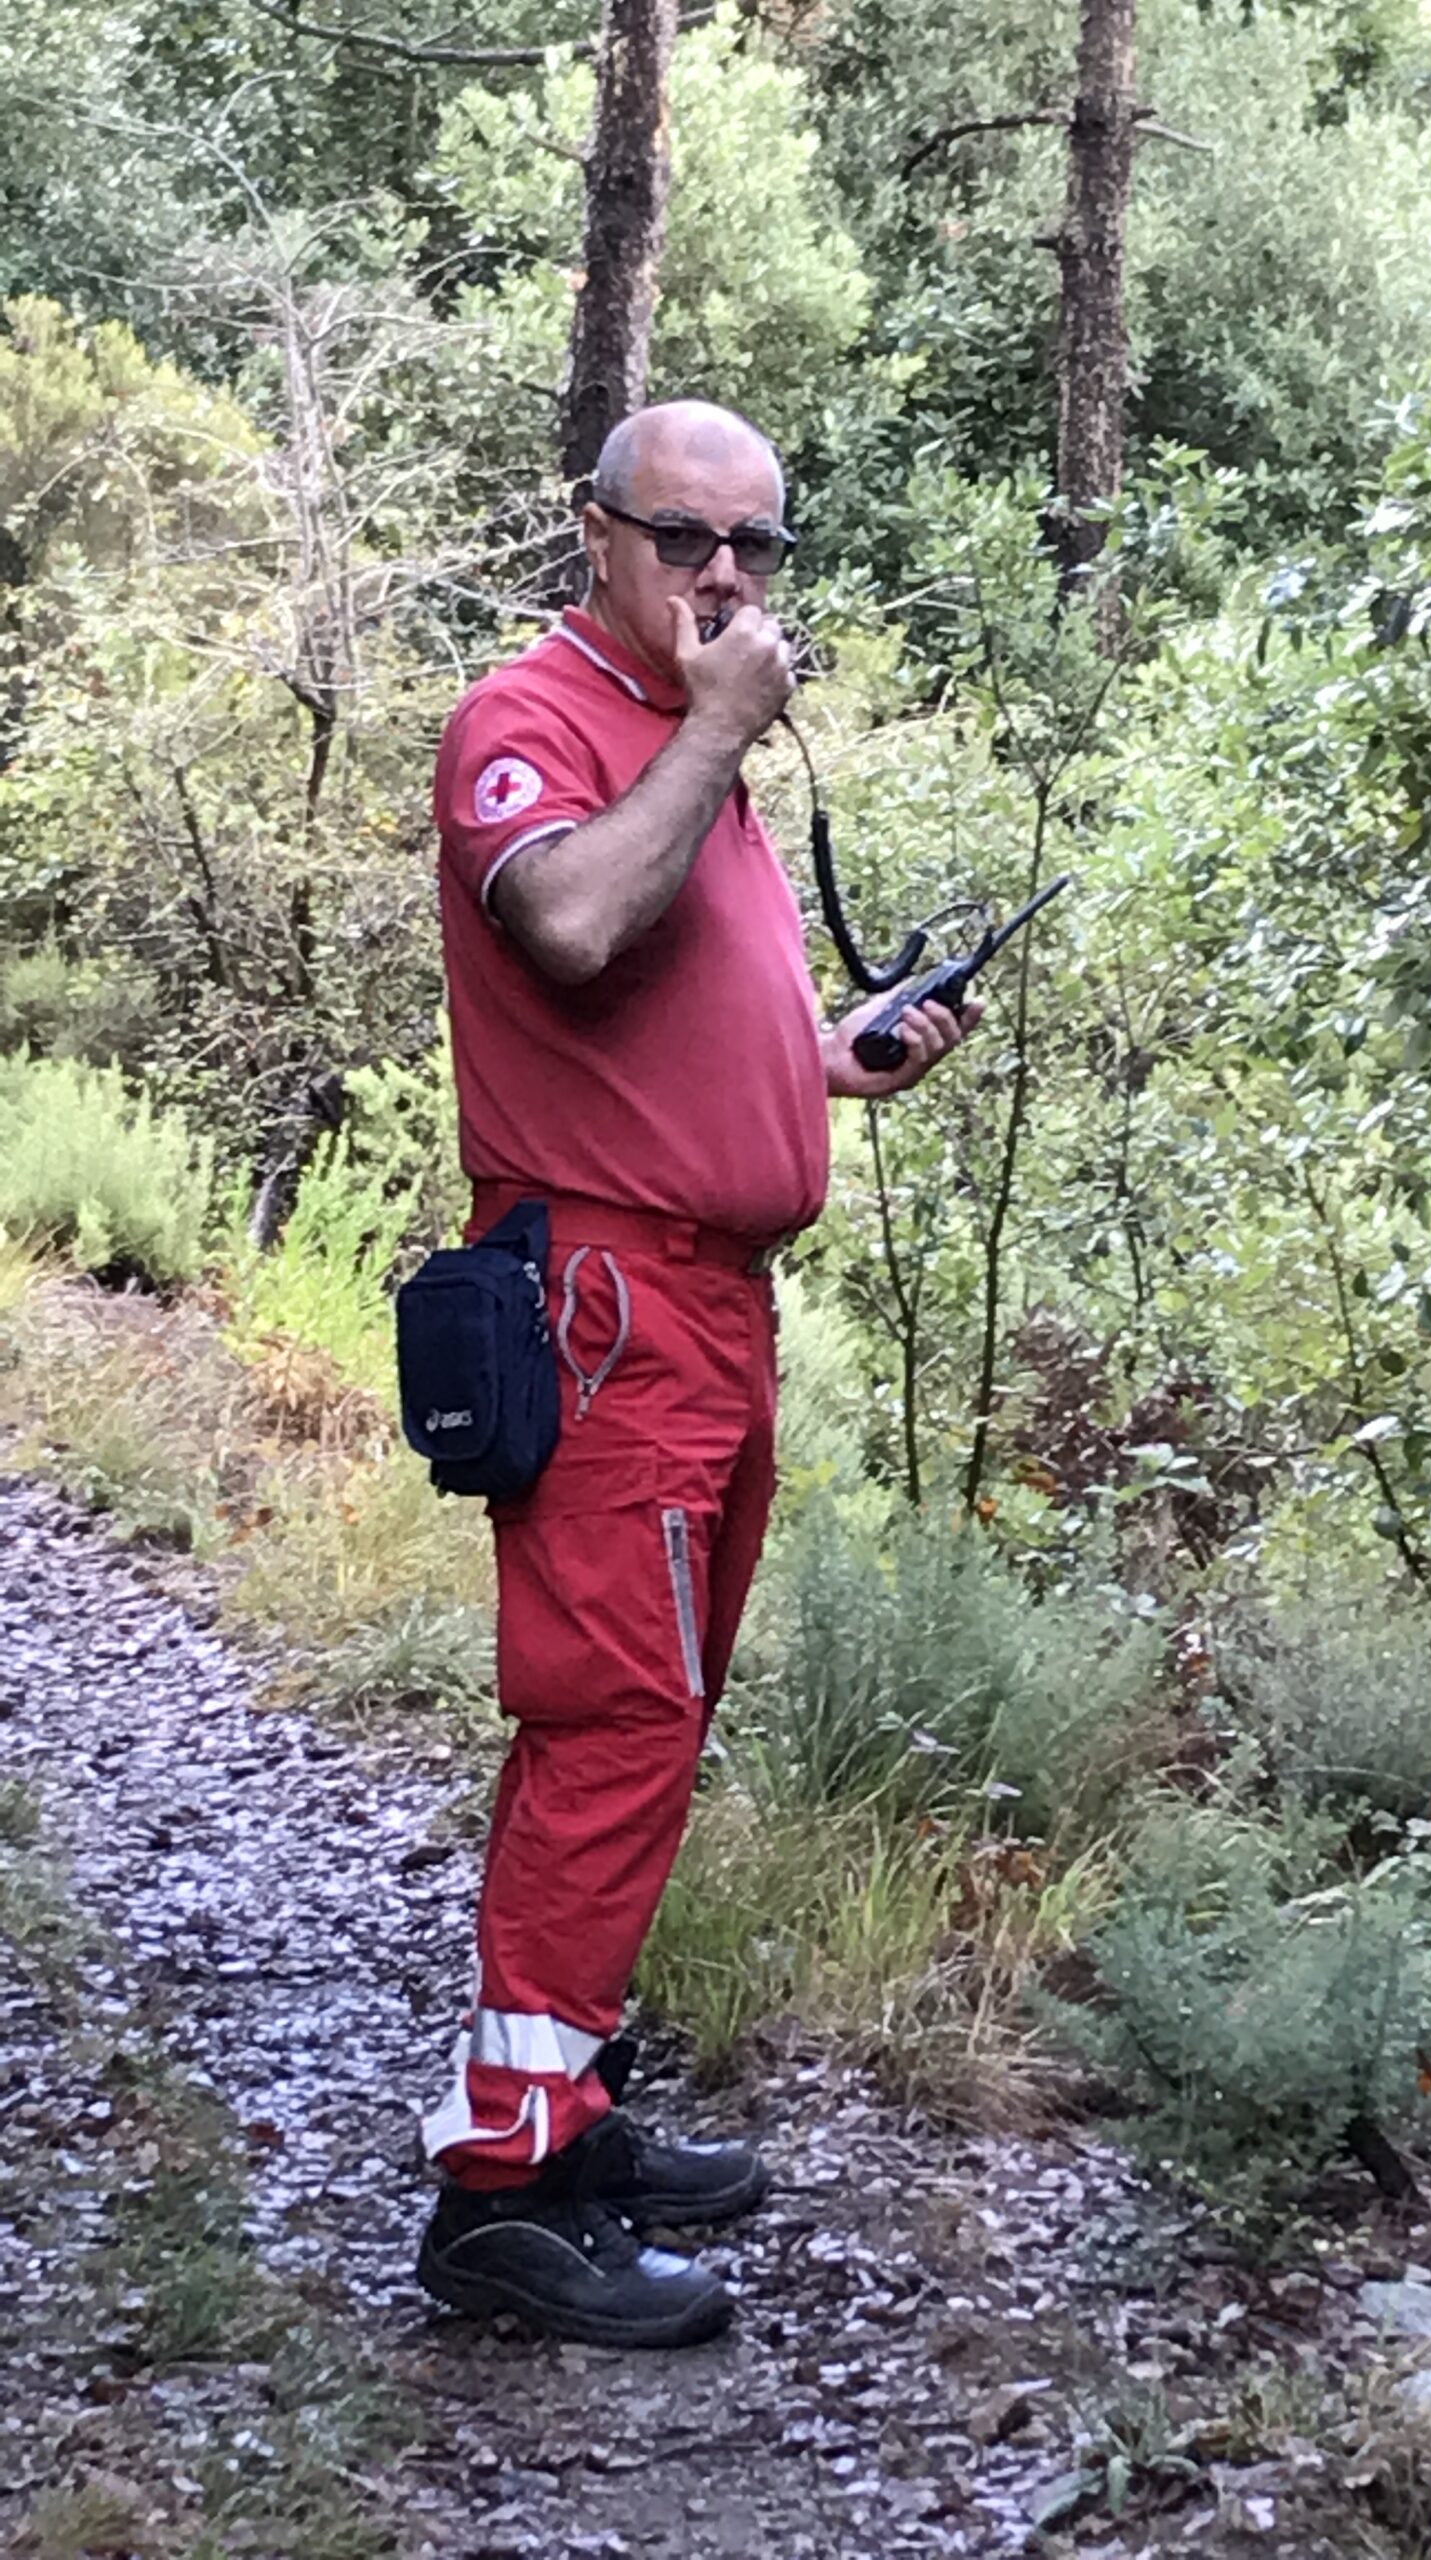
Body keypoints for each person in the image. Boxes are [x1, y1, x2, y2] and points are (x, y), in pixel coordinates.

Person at [413, 400, 973, 2349]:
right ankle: (503, 2191)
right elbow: (566, 920)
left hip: (712, 1306)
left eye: (757, 545)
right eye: (684, 536)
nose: (725, 576)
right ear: (598, 532)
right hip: (605, 1306)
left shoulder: (680, 738)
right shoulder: (533, 722)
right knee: (609, 1722)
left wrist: (834, 1050)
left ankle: (574, 2105)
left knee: (652, 1716)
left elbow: (680, 1000)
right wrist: (727, 725)